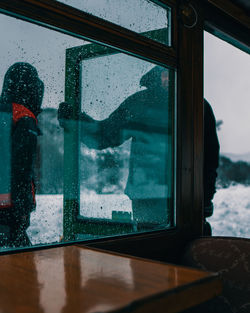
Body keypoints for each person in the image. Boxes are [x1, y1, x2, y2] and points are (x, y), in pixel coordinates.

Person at [58, 66, 173, 229]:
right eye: (165, 74)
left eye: (173, 74)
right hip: (148, 198)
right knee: (149, 248)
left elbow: (208, 155)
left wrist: (204, 199)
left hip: (188, 199)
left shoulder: (196, 107)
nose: (169, 79)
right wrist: (75, 121)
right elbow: (105, 134)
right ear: (157, 76)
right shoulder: (141, 103)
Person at [0, 62, 44, 247]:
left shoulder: (3, 113)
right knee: (19, 267)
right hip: (8, 212)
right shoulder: (23, 117)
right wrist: (23, 209)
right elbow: (21, 168)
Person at [203, 99, 220, 235]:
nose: (166, 78)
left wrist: (206, 196)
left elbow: (211, 154)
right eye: (163, 75)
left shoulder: (196, 104)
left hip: (188, 197)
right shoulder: (142, 100)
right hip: (144, 192)